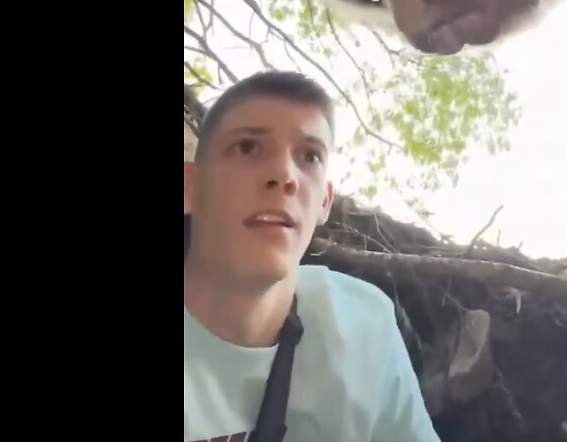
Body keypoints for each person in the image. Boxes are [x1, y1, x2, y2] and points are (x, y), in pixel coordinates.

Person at [184, 70, 441, 442]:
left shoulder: (364, 326)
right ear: (190, 187)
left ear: (324, 201)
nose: (285, 175)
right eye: (247, 148)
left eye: (309, 156)